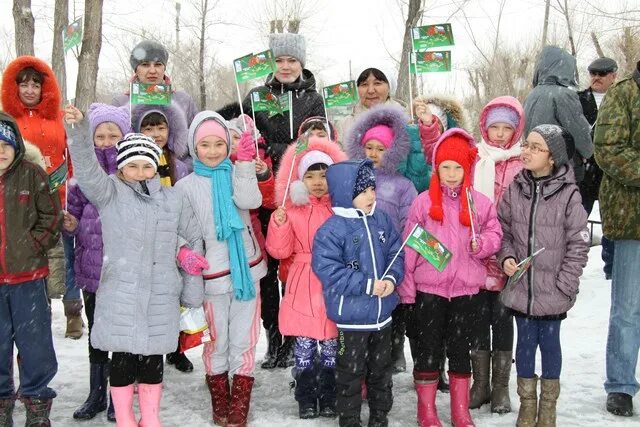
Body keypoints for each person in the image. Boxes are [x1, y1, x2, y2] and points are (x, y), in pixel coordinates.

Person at [64, 106, 207, 426]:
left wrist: (187, 264)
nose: (141, 172)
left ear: (156, 166)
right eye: (133, 166)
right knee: (123, 360)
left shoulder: (172, 198)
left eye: (147, 166)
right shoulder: (111, 193)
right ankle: (126, 416)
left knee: (153, 361)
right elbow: (87, 171)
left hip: (160, 292)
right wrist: (77, 131)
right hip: (121, 292)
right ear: (122, 168)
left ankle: (151, 417)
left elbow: (190, 236)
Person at [399, 129, 502, 427]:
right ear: (437, 168)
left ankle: (460, 411)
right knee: (429, 350)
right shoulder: (422, 204)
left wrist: (481, 244)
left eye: (458, 167)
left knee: (460, 351)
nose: (452, 173)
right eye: (446, 167)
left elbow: (495, 233)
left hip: (466, 291)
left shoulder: (480, 204)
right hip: (429, 290)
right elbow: (410, 249)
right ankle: (426, 411)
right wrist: (407, 292)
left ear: (466, 168)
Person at [176, 111, 267, 427]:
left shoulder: (236, 173)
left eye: (219, 143)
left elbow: (250, 200)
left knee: (245, 340)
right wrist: (185, 253)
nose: (213, 151)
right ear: (194, 147)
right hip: (211, 277)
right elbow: (180, 229)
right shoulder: (185, 186)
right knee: (218, 342)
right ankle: (220, 398)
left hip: (247, 272)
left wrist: (243, 164)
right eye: (205, 145)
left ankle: (239, 402)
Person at [241, 33, 325, 370]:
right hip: (264, 196)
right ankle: (274, 337)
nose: (286, 66)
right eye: (280, 60)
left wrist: (281, 151)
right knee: (267, 272)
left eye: (292, 60)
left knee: (294, 270)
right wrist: (259, 151)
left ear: (301, 63)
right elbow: (247, 138)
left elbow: (315, 143)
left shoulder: (313, 98)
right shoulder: (257, 96)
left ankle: (296, 335)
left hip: (299, 195)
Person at [499, 124, 589, 427]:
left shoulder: (568, 193)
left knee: (550, 345)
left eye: (536, 147)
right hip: (522, 288)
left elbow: (578, 242)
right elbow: (505, 231)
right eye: (526, 144)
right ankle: (527, 405)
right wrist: (507, 258)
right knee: (524, 345)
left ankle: (547, 408)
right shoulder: (516, 187)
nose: (526, 151)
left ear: (553, 157)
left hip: (553, 290)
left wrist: (565, 284)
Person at [313, 159, 404, 427]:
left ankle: (379, 417)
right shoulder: (331, 230)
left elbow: (396, 253)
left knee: (381, 372)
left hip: (382, 317)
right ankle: (349, 419)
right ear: (345, 193)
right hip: (350, 320)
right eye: (363, 191)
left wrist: (391, 278)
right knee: (350, 374)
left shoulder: (382, 220)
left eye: (372, 189)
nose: (371, 196)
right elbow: (328, 270)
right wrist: (366, 285)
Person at [1, 55, 83, 338]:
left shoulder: (59, 117)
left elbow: (70, 153)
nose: (29, 90)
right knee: (36, 258)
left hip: (59, 195)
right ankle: (40, 310)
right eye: (23, 84)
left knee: (69, 256)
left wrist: (72, 182)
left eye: (35, 84)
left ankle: (73, 312)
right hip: (23, 200)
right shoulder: (8, 120)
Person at [266, 133, 346, 419]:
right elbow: (278, 251)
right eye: (310, 175)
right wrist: (278, 225)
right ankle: (305, 397)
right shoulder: (292, 210)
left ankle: (328, 395)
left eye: (324, 174)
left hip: (332, 283)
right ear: (301, 179)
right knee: (304, 347)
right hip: (301, 282)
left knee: (330, 345)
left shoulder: (340, 210)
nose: (318, 181)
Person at [64, 103, 130, 421]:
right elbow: (74, 217)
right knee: (96, 334)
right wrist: (69, 222)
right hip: (93, 271)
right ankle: (96, 393)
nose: (106, 142)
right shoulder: (82, 180)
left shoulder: (132, 175)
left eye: (113, 135)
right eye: (100, 136)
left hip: (123, 270)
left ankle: (119, 392)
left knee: (121, 334)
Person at [344, 104, 418, 375]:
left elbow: (408, 221)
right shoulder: (351, 178)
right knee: (363, 301)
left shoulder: (402, 184)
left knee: (392, 304)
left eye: (381, 148)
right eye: (369, 147)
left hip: (388, 255)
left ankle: (392, 349)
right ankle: (361, 350)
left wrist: (399, 250)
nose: (374, 153)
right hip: (358, 255)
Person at [0, 112, 62, 426]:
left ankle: (37, 404)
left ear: (16, 146)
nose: (0, 150)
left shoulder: (33, 174)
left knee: (35, 345)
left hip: (29, 280)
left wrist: (32, 244)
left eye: (5, 143)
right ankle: (1, 405)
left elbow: (51, 217)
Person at [468, 96, 525, 414]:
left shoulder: (521, 162)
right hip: (476, 252)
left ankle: (502, 387)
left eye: (507, 128)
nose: (501, 134)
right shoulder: (476, 158)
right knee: (477, 318)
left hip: (508, 253)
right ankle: (480, 384)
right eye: (495, 127)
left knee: (503, 318)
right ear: (485, 127)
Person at [594, 59, 640, 418]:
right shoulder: (623, 94)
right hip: (632, 220)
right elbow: (608, 150)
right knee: (628, 308)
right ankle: (621, 385)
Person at [523, 45, 593, 183]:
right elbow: (579, 131)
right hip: (562, 166)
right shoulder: (564, 95)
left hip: (538, 164)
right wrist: (588, 152)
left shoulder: (531, 95)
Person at [578, 57, 618, 280]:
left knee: (610, 222)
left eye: (602, 73)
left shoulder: (621, 99)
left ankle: (610, 266)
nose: (596, 77)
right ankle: (574, 264)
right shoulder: (578, 100)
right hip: (585, 171)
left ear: (614, 75)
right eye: (593, 73)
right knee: (576, 220)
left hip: (611, 171)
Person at [112, 40, 199, 125]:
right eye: (145, 65)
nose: (153, 71)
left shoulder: (183, 101)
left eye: (158, 64)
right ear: (136, 70)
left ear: (164, 68)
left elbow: (196, 136)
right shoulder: (121, 103)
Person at [337, 68, 404, 144]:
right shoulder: (344, 125)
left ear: (389, 88)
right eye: (364, 84)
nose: (370, 91)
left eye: (377, 83)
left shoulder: (407, 119)